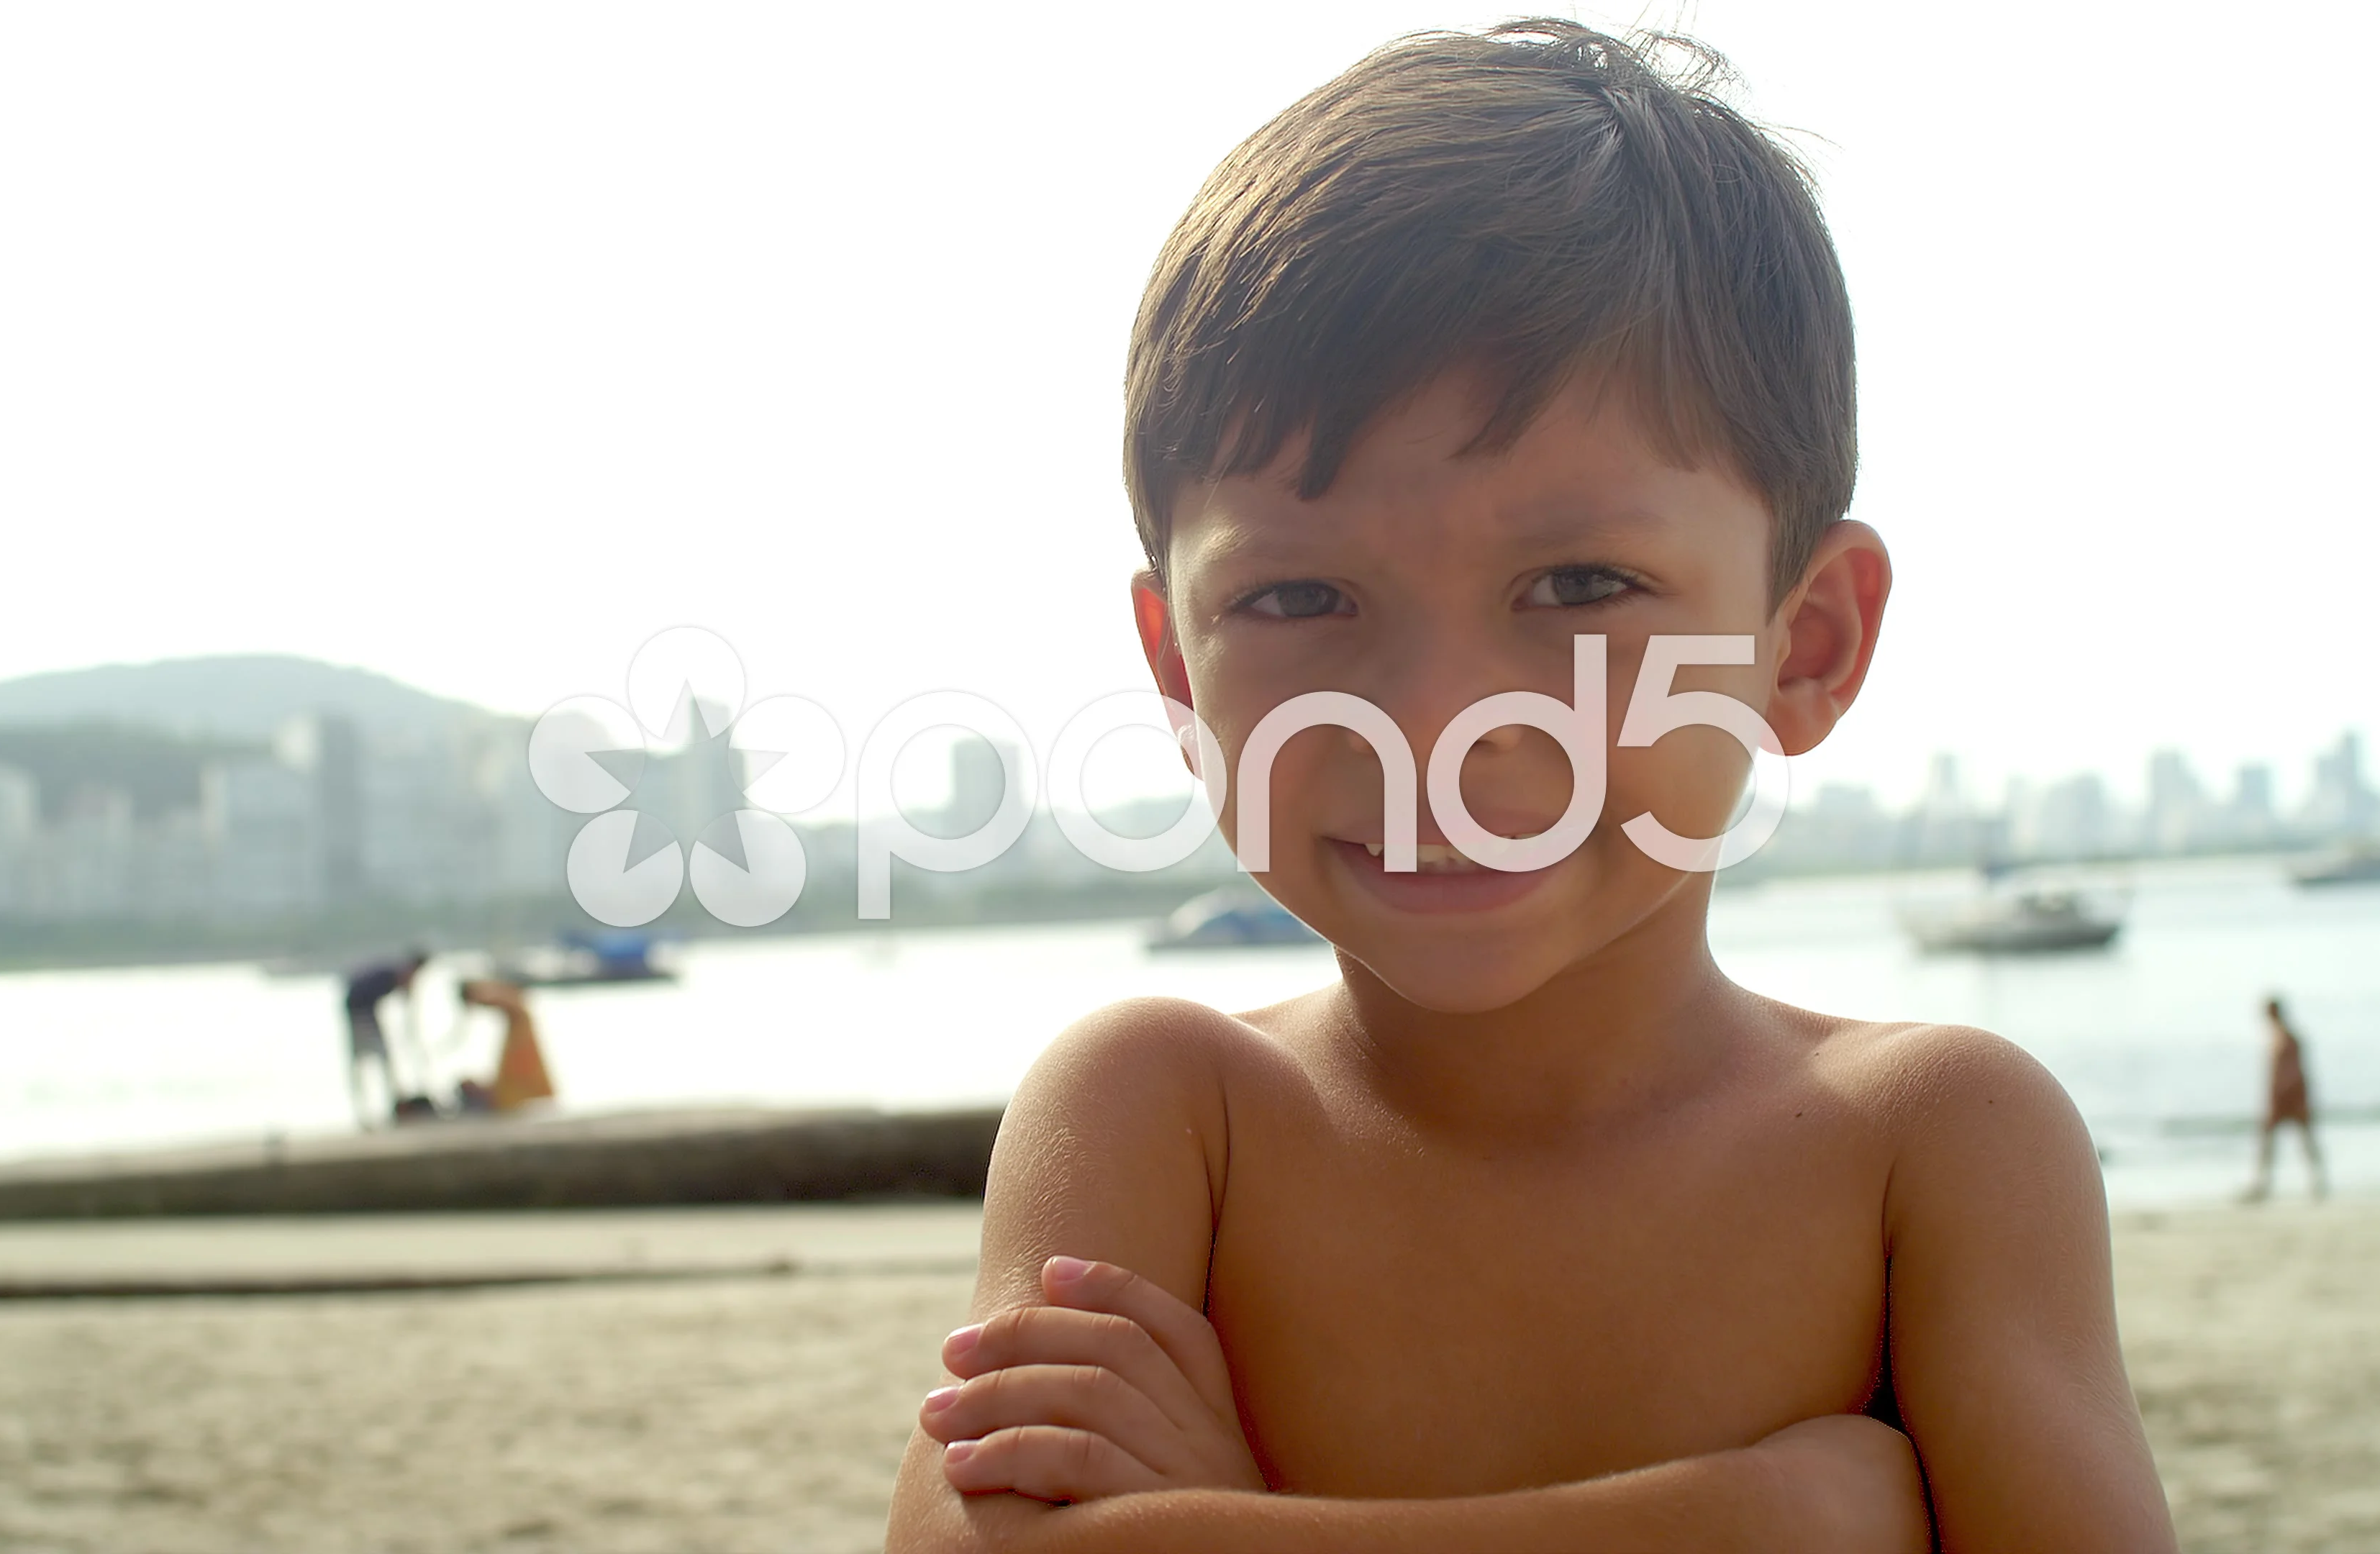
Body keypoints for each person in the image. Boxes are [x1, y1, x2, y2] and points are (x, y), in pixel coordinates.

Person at [886, 21, 2174, 1553]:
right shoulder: (1163, 1113)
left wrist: (1211, 1520)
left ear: (1804, 643)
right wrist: (1754, 1520)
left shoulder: (1929, 1145)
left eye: (1579, 584)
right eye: (1300, 601)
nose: (1435, 722)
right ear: (1179, 669)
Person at [2241, 996, 2327, 1202]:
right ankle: (2264, 1185)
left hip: (2289, 1097)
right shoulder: (2279, 1037)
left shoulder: (2287, 1039)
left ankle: (2317, 1184)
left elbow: (2294, 1073)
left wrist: (2284, 1097)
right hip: (2284, 1098)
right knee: (2273, 1144)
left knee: (2302, 1142)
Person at [340, 948, 430, 1128]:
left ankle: (379, 1107)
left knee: (371, 1062)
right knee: (374, 1061)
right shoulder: (399, 973)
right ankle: (375, 1108)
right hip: (360, 1014)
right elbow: (405, 991)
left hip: (362, 1012)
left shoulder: (393, 972)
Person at [454, 978, 558, 1115]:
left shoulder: (521, 1024)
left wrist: (482, 994)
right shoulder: (519, 1028)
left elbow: (514, 1007)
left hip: (526, 1107)